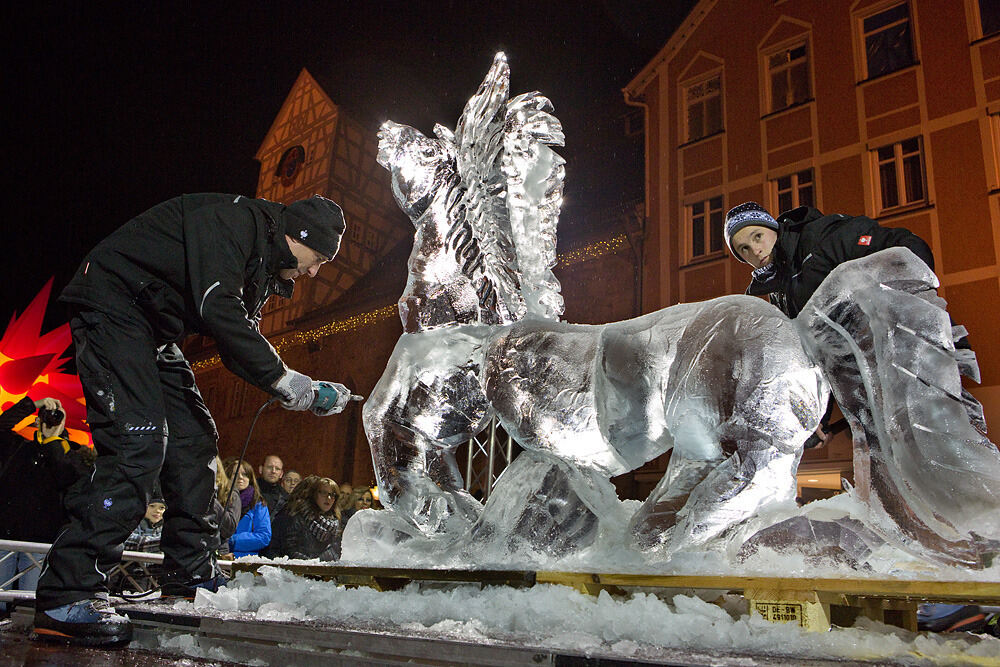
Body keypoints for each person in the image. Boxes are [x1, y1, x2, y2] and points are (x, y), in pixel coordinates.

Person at [34, 193, 357, 647]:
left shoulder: (262, 267)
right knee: (138, 441)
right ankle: (67, 592)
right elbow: (218, 309)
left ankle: (189, 574)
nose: (314, 271)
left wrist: (287, 385)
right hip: (114, 304)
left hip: (155, 332)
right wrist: (286, 379)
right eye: (317, 257)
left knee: (194, 442)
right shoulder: (234, 221)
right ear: (297, 237)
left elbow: (236, 341)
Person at [724, 202, 934, 319]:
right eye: (745, 249)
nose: (756, 250)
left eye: (758, 236)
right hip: (855, 381)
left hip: (908, 355)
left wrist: (907, 306)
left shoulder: (820, 238)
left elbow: (905, 246)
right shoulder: (778, 288)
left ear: (773, 228)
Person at [0, 397, 93, 616]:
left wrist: (53, 440)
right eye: (47, 417)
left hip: (41, 541)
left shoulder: (72, 454)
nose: (51, 420)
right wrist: (32, 404)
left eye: (56, 417)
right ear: (37, 421)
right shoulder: (18, 447)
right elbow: (1, 427)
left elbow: (68, 476)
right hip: (6, 536)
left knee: (30, 602)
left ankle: (22, 640)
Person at [265, 476, 342, 561]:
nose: (328, 498)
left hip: (323, 568)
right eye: (323, 493)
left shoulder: (335, 522)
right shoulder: (295, 516)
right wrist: (312, 564)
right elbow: (289, 549)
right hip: (297, 568)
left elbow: (336, 550)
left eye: (332, 495)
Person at [226, 460, 271, 559]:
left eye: (245, 474)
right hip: (218, 557)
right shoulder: (219, 501)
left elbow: (264, 537)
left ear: (250, 478)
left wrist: (231, 541)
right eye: (235, 474)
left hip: (245, 560)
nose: (240, 477)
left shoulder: (258, 503)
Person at [212, 455, 241, 560]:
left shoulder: (230, 493)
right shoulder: (188, 490)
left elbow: (229, 529)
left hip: (217, 554)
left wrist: (211, 500)